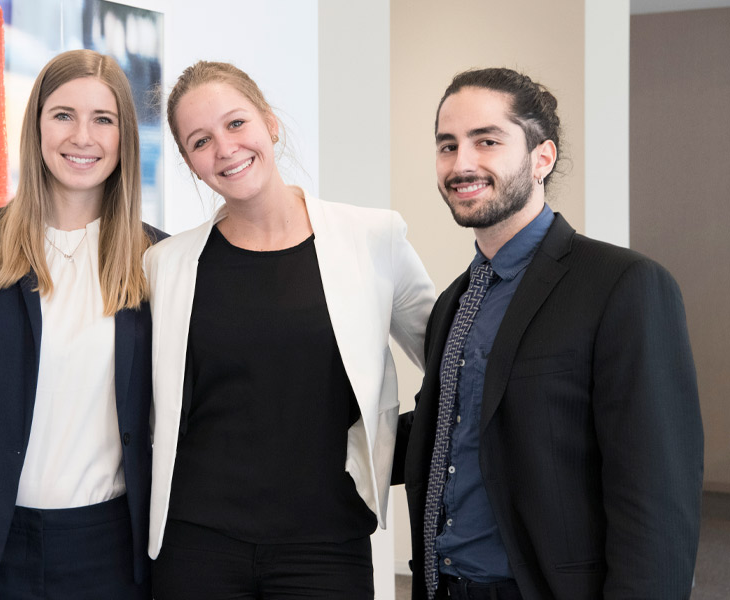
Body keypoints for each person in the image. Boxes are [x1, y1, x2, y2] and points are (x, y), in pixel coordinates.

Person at [393, 67, 703, 600]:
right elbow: (450, 423)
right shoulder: (455, 302)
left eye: (486, 140)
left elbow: (658, 496)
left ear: (542, 158)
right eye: (447, 146)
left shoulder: (624, 285)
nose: (461, 163)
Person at [143, 61, 436, 599]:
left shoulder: (372, 238)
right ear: (189, 162)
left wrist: (394, 449)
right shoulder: (166, 265)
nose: (226, 149)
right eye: (201, 140)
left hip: (325, 545)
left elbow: (453, 360)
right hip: (197, 547)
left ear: (270, 123)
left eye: (236, 124)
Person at [0, 49, 163, 599]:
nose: (81, 137)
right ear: (37, 125)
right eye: (63, 114)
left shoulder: (156, 259)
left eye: (103, 119)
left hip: (110, 550)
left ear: (124, 138)